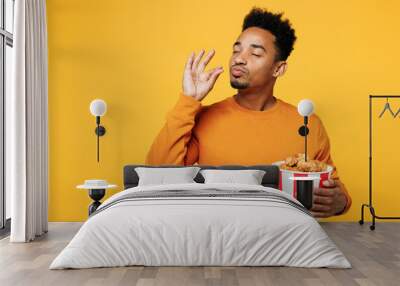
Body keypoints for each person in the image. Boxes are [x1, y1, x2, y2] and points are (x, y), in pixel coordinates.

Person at [145, 7, 351, 217]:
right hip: (218, 235)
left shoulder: (307, 124)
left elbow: (332, 186)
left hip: (283, 239)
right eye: (236, 50)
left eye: (255, 53)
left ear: (278, 69)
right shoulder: (202, 117)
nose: (239, 58)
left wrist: (340, 202)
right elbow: (158, 175)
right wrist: (189, 100)